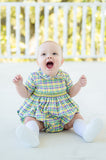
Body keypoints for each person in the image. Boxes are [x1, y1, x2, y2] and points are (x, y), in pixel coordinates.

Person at [13, 41, 103, 147]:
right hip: (40, 117)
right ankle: (32, 136)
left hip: (62, 116)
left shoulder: (64, 77)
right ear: (38, 62)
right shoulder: (34, 77)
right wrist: (19, 85)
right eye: (43, 54)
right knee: (29, 119)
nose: (49, 57)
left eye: (54, 54)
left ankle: (86, 132)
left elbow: (70, 93)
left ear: (61, 61)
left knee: (76, 117)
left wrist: (78, 85)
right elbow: (26, 94)